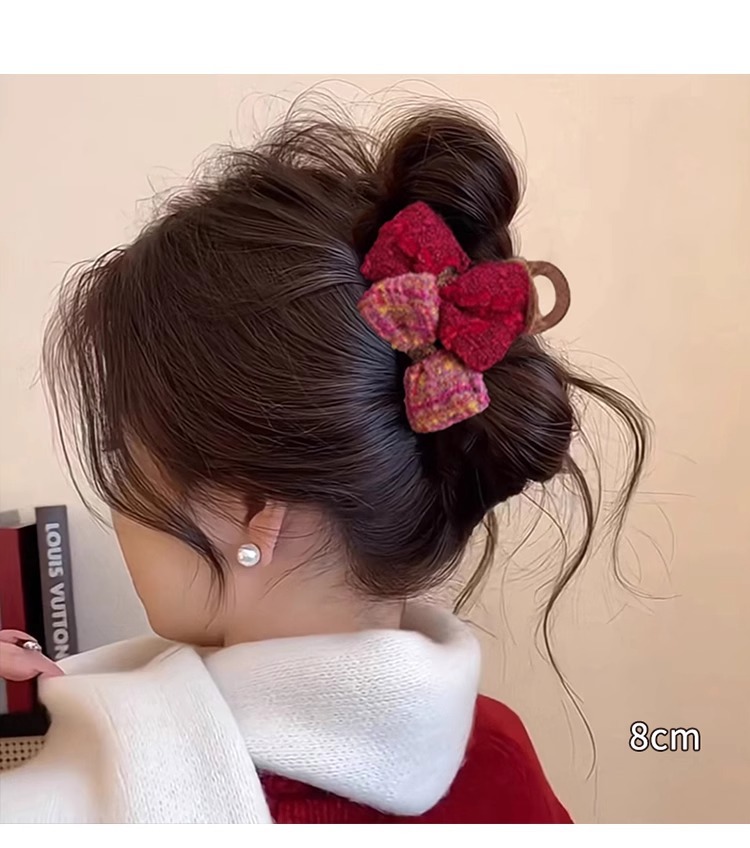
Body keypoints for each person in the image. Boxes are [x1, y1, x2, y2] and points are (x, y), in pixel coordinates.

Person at [0, 102, 648, 823]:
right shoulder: (498, 754)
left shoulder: (83, 810)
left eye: (125, 459)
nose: (117, 504)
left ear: (253, 511)